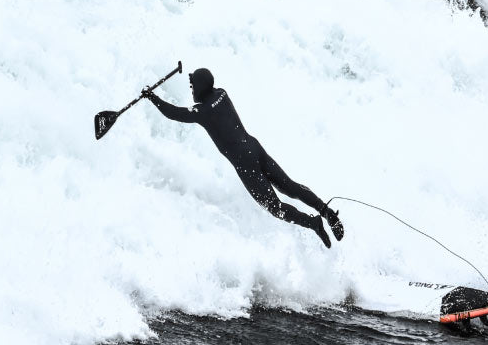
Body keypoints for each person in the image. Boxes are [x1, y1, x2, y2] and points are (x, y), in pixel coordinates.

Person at [142, 67, 343, 248]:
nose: (192, 90)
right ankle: (326, 211)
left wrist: (152, 97)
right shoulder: (222, 94)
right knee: (289, 186)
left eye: (193, 86)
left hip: (245, 162)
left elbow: (175, 113)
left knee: (275, 208)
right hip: (255, 148)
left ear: (201, 87)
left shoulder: (203, 112)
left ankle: (314, 223)